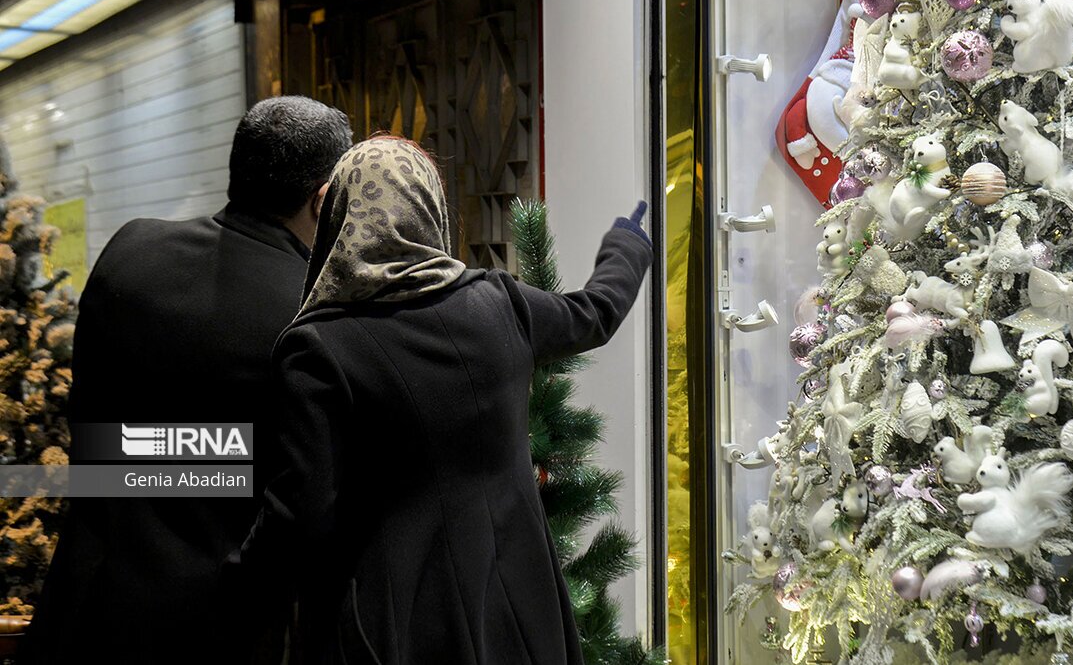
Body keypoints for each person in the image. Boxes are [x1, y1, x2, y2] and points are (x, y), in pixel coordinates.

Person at [231, 136, 652, 665]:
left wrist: (230, 583)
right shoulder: (499, 302)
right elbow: (595, 312)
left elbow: (300, 515)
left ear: (341, 217)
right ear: (428, 210)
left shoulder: (318, 348)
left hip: (394, 623)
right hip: (522, 604)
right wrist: (628, 243)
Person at [22, 96, 353, 665]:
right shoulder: (309, 313)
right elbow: (305, 498)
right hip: (216, 626)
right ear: (324, 198)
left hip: (83, 606)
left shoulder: (130, 248)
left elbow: (95, 436)